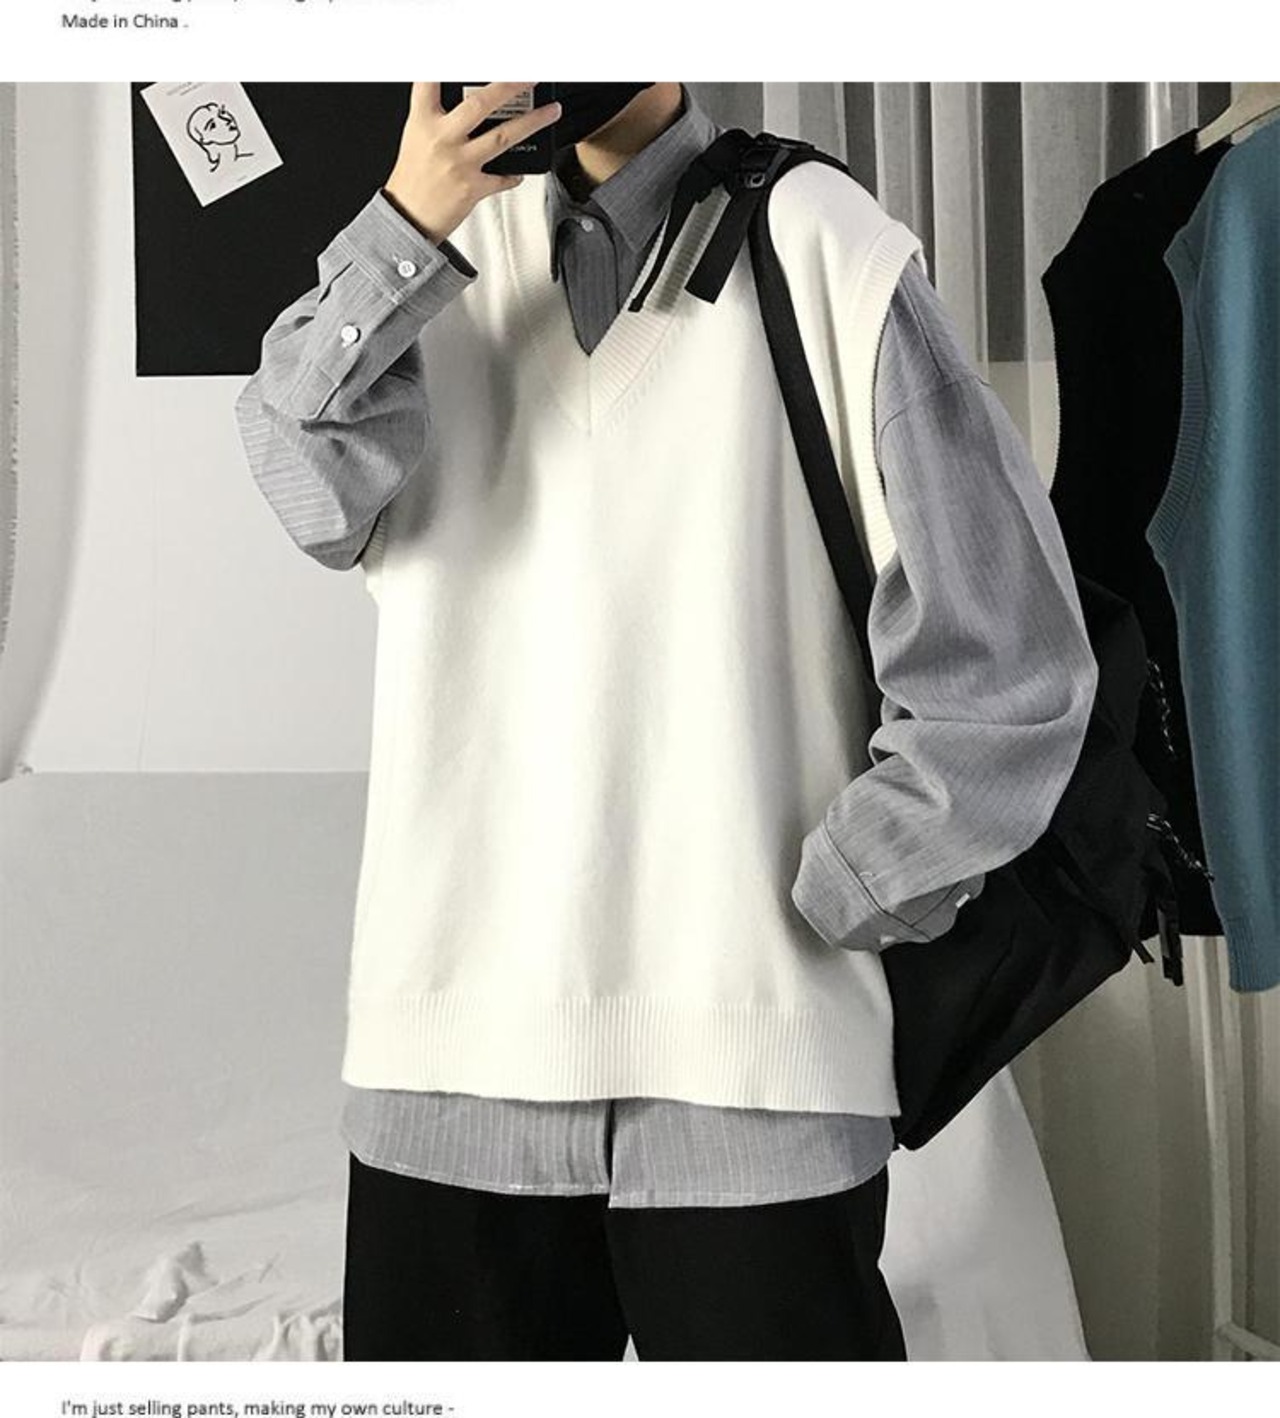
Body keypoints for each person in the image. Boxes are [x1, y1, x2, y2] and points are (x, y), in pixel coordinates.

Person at [234, 82, 1097, 1361]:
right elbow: (308, 492)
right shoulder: (430, 259)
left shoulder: (822, 244)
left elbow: (1007, 657)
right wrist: (404, 224)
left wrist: (849, 885)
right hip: (453, 1053)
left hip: (754, 1071)